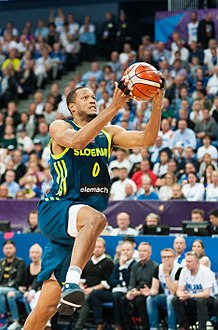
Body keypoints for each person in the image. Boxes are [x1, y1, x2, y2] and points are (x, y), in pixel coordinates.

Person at [23, 78, 163, 330]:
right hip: (57, 207)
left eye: (93, 96)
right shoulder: (59, 126)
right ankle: (74, 281)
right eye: (85, 97)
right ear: (72, 108)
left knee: (46, 306)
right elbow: (77, 142)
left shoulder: (108, 134)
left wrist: (157, 101)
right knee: (97, 219)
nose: (92, 99)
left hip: (78, 225)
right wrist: (114, 106)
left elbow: (147, 139)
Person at [172, 251, 217, 330]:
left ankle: (201, 328)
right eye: (186, 261)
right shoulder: (184, 271)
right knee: (175, 300)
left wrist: (190, 295)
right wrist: (182, 295)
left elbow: (207, 294)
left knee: (201, 301)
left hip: (209, 300)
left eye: (189, 262)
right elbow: (179, 291)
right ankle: (184, 327)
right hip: (192, 299)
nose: (187, 264)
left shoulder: (206, 272)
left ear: (196, 262)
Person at [120, 242, 158, 330]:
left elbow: (155, 287)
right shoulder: (135, 266)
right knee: (123, 300)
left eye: (145, 251)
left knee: (139, 300)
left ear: (150, 253)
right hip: (136, 291)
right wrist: (130, 292)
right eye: (140, 251)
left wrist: (140, 292)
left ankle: (145, 327)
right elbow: (131, 283)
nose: (142, 253)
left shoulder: (155, 266)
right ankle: (128, 327)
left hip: (148, 292)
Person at [147, 248, 182, 330]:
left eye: (169, 257)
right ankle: (154, 327)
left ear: (174, 258)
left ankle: (171, 327)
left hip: (177, 298)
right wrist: (149, 292)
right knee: (150, 299)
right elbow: (154, 289)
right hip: (165, 296)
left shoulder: (179, 269)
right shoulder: (158, 268)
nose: (166, 259)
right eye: (164, 257)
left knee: (170, 298)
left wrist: (166, 274)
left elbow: (174, 292)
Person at [0, 240, 26, 330]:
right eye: (6, 248)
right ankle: (4, 319)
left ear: (14, 249)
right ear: (3, 250)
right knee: (2, 297)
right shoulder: (1, 262)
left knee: (8, 293)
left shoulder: (20, 262)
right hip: (3, 291)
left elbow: (18, 280)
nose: (8, 250)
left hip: (15, 289)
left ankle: (15, 321)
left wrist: (4, 287)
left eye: (10, 248)